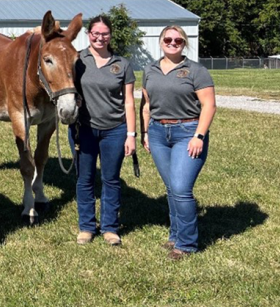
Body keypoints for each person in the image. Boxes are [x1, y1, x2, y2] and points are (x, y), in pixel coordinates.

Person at [142, 25, 216, 260]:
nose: (173, 43)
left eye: (178, 40)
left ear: (184, 43)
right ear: (161, 41)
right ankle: (175, 235)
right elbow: (146, 104)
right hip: (157, 132)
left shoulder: (196, 70)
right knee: (172, 188)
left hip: (188, 131)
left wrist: (199, 136)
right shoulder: (149, 70)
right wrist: (145, 132)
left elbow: (209, 105)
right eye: (168, 39)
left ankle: (187, 244)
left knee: (182, 189)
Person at [71, 15, 136, 246]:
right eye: (95, 33)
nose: (100, 37)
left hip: (115, 130)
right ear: (88, 34)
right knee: (85, 179)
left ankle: (110, 228)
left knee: (111, 179)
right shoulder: (77, 59)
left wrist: (131, 134)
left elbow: (128, 101)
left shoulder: (122, 64)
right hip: (84, 129)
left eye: (104, 34)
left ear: (110, 36)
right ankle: (87, 227)